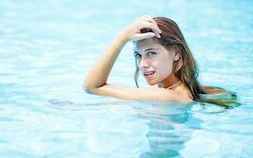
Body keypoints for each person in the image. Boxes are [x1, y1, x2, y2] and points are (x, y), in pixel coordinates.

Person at [83, 15, 229, 103]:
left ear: (176, 53)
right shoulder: (173, 92)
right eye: (138, 55)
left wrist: (121, 38)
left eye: (151, 53)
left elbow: (92, 87)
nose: (142, 64)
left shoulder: (166, 96)